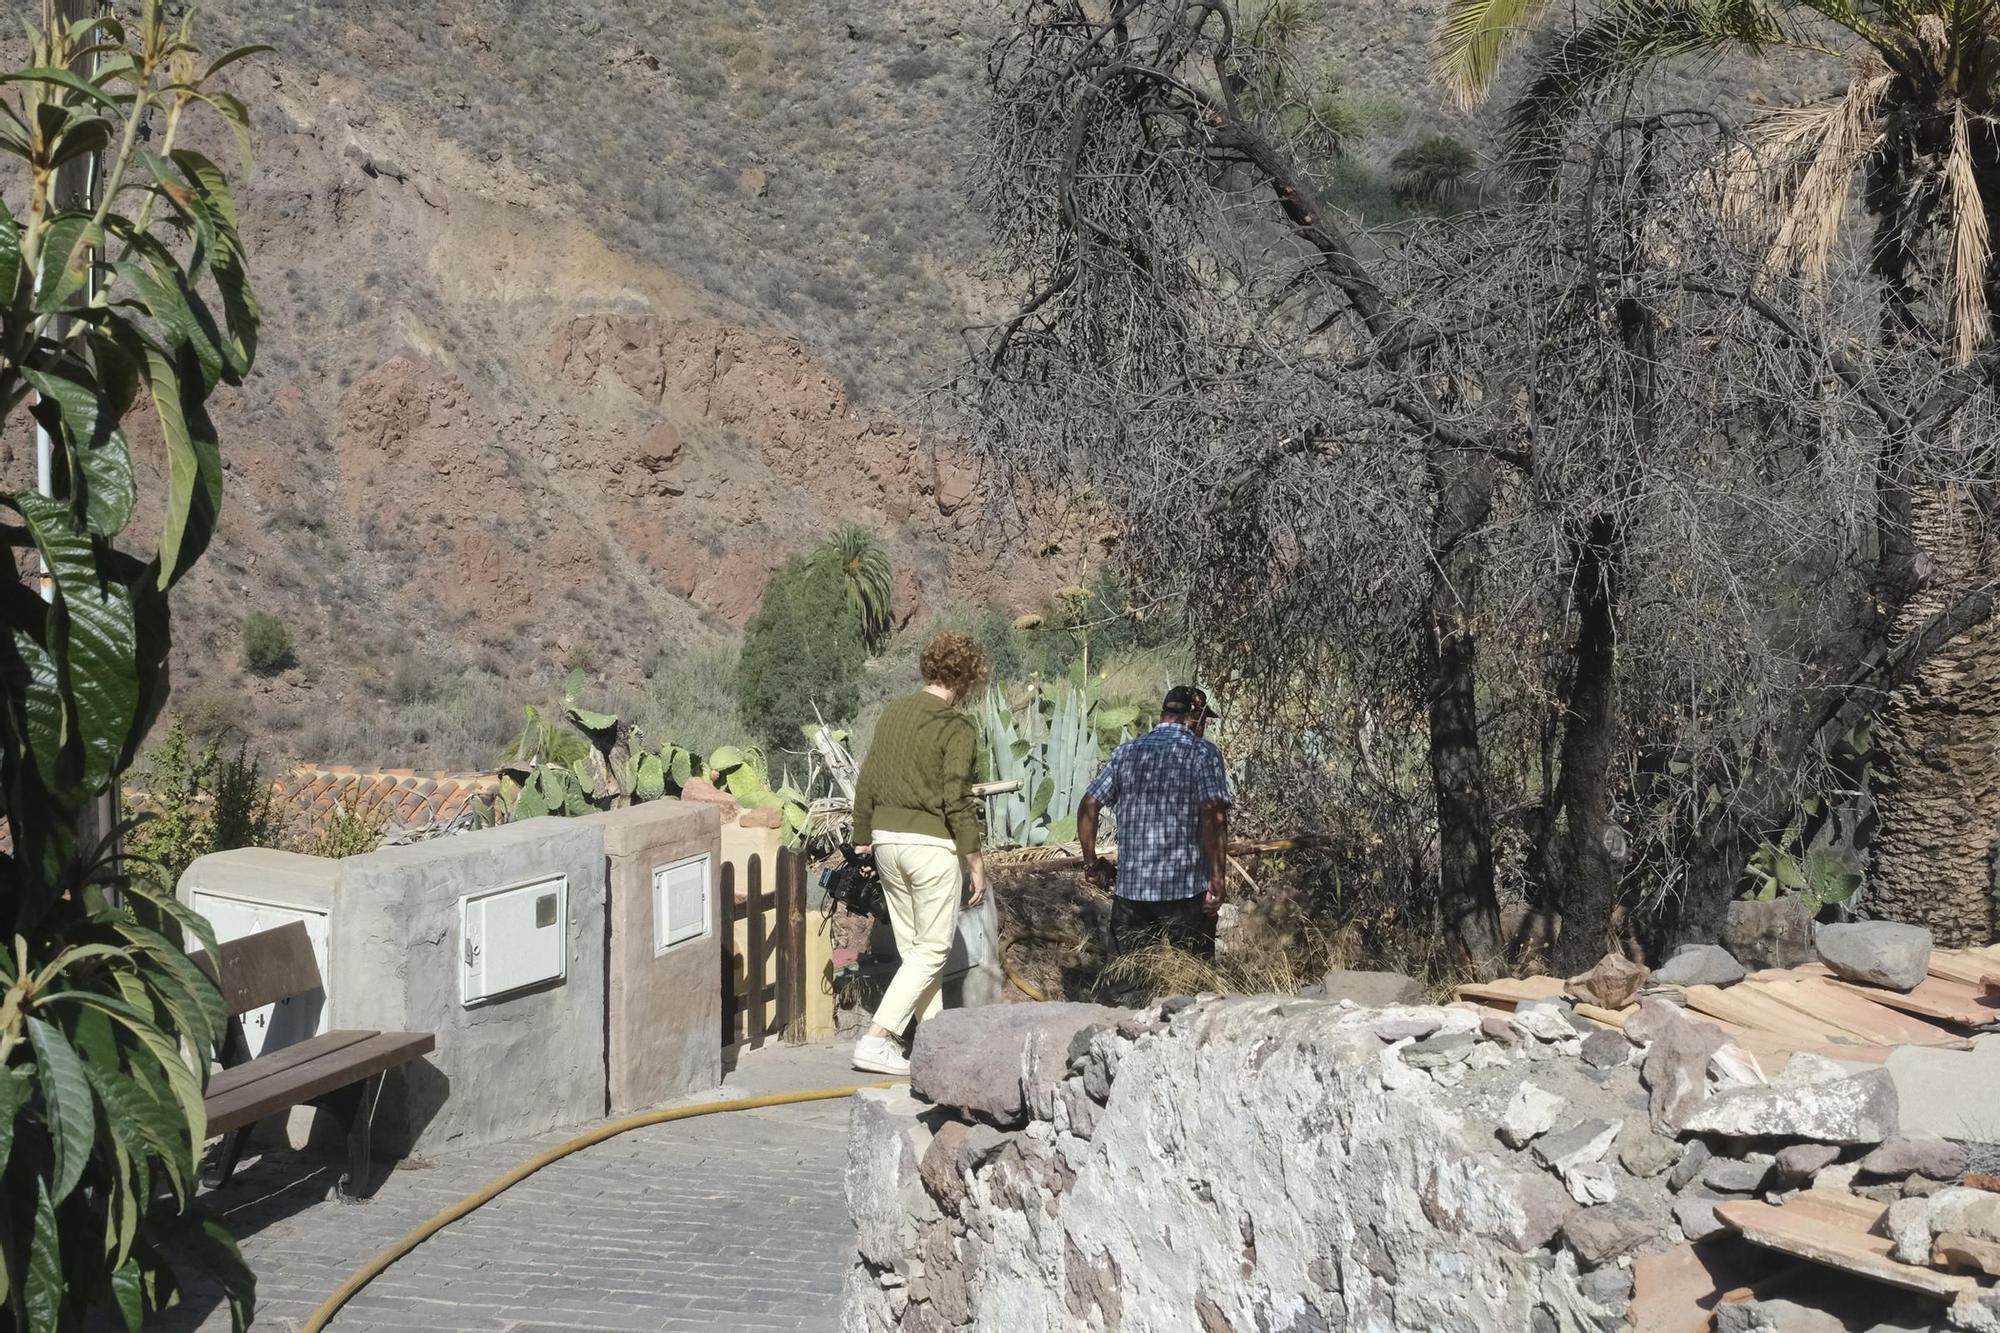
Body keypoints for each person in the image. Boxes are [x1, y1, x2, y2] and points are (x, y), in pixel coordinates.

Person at [848, 632, 990, 1076]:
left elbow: (868, 777)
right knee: (933, 949)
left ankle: (929, 1048)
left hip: (888, 844)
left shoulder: (894, 713)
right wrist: (974, 858)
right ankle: (877, 1039)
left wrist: (861, 832)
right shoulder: (957, 726)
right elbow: (956, 797)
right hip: (931, 846)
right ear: (965, 678)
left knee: (916, 954)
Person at [1078, 685, 1231, 963]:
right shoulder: (1203, 754)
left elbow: (1089, 805)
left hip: (1132, 896)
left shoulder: (1126, 753)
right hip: (1186, 895)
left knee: (1126, 986)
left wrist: (1091, 865)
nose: (1204, 727)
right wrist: (1218, 877)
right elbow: (1214, 817)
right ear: (1193, 717)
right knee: (1191, 985)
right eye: (1204, 720)